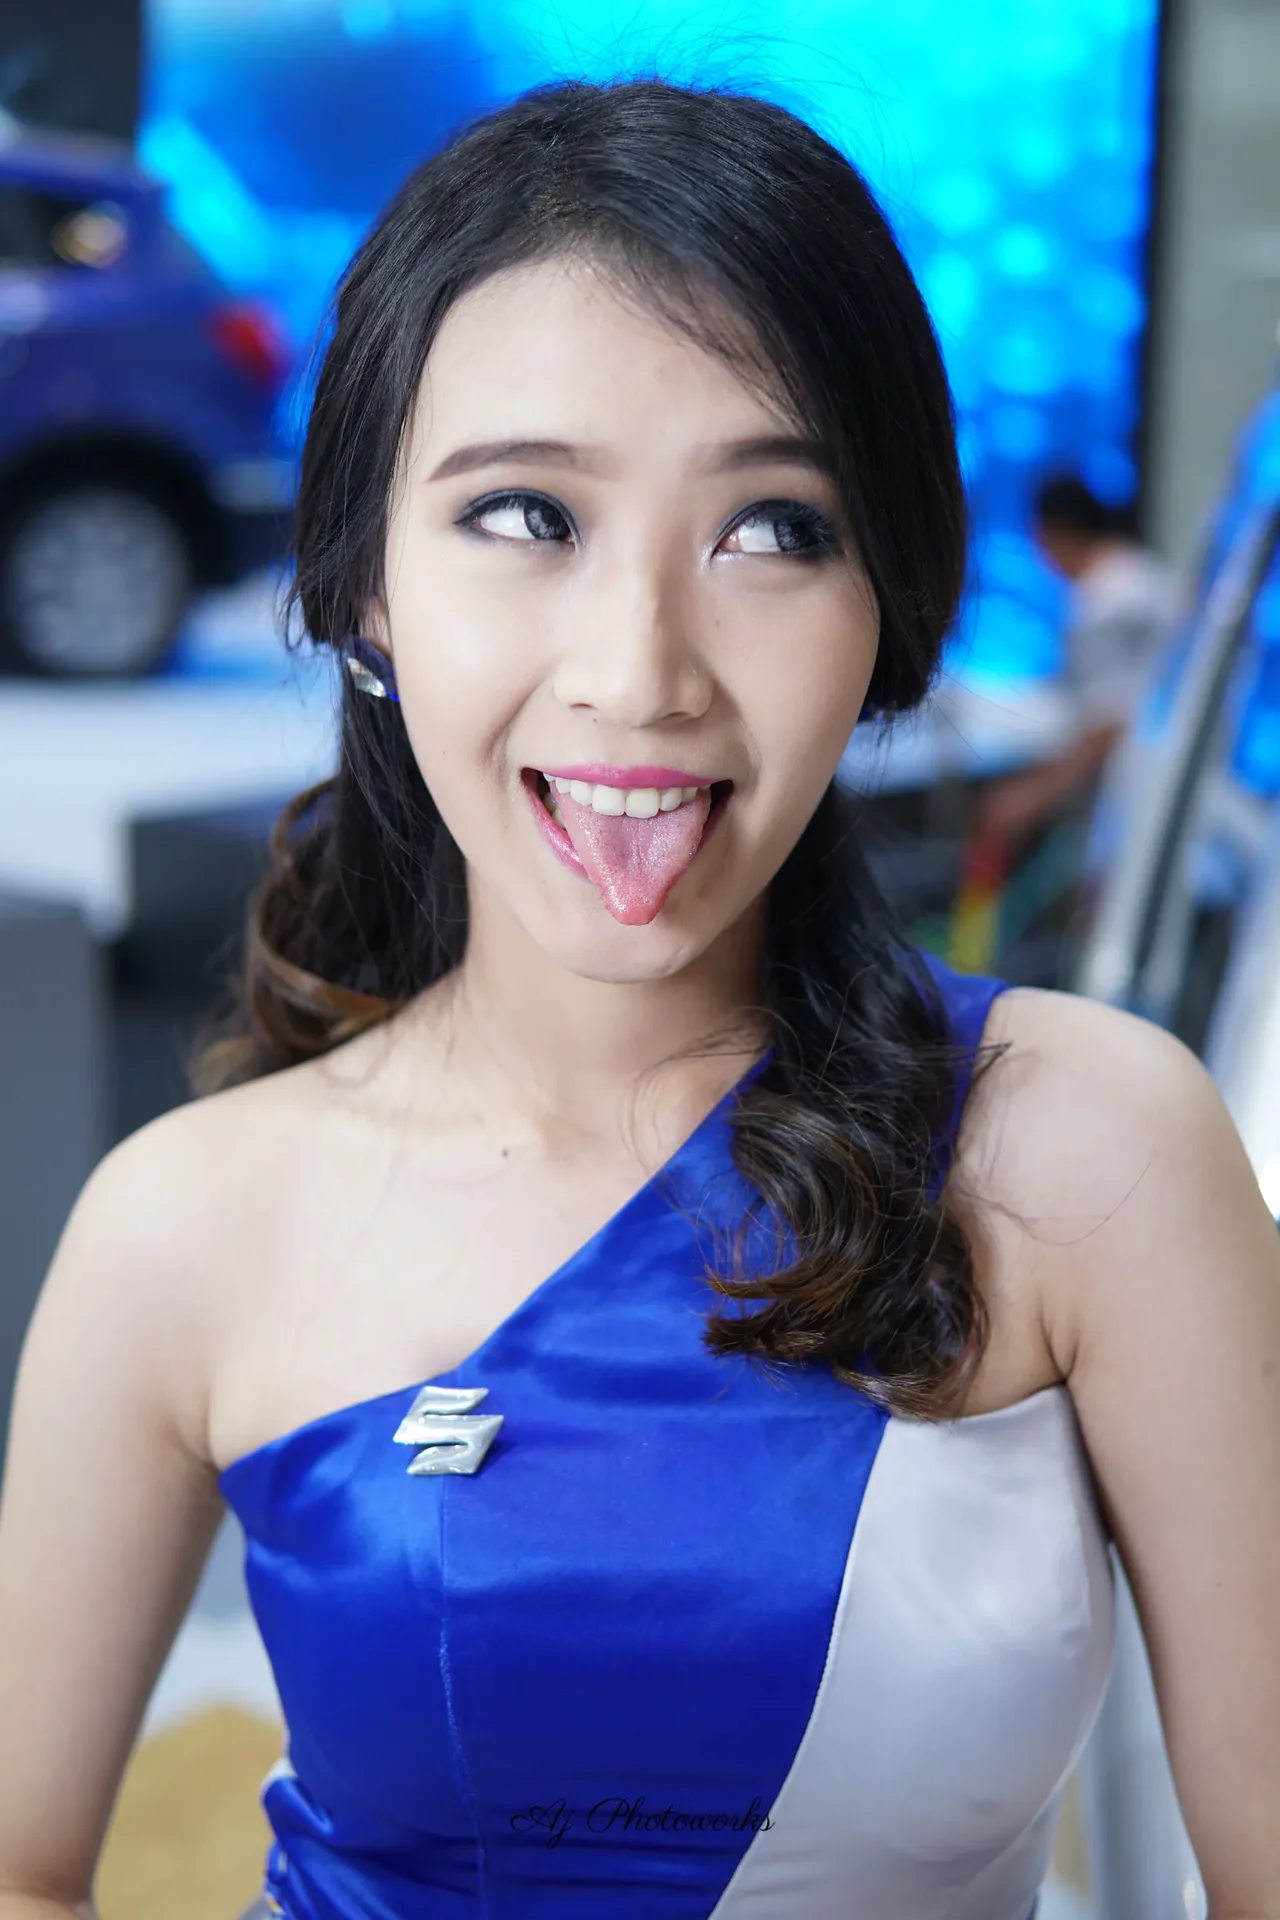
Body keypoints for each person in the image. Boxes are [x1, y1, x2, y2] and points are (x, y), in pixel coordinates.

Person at [0, 79, 1277, 1920]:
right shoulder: (182, 1225)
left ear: (891, 605)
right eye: (526, 513)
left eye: (771, 530)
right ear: (364, 588)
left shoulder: (1094, 1155)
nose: (641, 671)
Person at [973, 473, 1181, 855]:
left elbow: (1109, 723)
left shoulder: (1101, 604)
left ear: (1059, 532)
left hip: (1144, 788)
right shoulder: (1142, 573)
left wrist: (1031, 797)